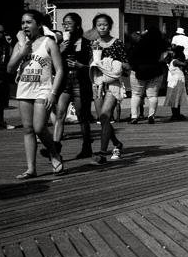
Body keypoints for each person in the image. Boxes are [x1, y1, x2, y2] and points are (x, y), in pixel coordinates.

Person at [7, 10, 65, 178]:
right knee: (28, 129)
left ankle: (54, 154)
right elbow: (10, 69)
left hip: (44, 89)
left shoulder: (49, 43)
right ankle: (31, 168)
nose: (25, 26)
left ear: (39, 24)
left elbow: (59, 69)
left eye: (29, 22)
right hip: (25, 89)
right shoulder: (20, 45)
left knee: (39, 128)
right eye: (22, 23)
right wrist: (22, 50)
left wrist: (53, 92)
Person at [49, 13, 93, 159]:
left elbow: (93, 67)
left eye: (69, 23)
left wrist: (81, 66)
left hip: (80, 83)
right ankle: (56, 149)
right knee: (60, 114)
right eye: (64, 24)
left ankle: (87, 146)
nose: (66, 26)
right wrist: (60, 50)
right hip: (65, 83)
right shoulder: (60, 43)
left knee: (82, 116)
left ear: (78, 25)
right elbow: (52, 64)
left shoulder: (87, 44)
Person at [88, 14, 129, 165]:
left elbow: (126, 65)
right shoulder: (93, 44)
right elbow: (91, 64)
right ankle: (117, 144)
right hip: (98, 84)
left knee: (105, 115)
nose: (102, 27)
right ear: (95, 27)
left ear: (110, 26)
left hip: (112, 84)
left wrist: (112, 64)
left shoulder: (117, 43)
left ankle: (102, 153)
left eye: (105, 24)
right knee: (103, 119)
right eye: (99, 25)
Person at [128, 26, 168, 124]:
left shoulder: (141, 43)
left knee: (136, 94)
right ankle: (151, 116)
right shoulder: (161, 44)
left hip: (139, 69)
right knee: (153, 95)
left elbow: (132, 57)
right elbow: (164, 55)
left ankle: (134, 116)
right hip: (156, 70)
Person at [0, 23, 16, 130]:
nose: (3, 34)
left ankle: (1, 121)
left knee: (2, 101)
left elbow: (11, 57)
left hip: (3, 76)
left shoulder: (5, 44)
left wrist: (10, 44)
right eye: (1, 32)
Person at [165, 45, 188, 120]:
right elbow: (184, 64)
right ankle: (175, 114)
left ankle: (176, 114)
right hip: (175, 82)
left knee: (177, 99)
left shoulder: (174, 61)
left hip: (177, 81)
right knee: (175, 98)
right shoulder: (175, 61)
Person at [171, 27, 188, 96]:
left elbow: (173, 46)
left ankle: (180, 91)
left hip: (180, 58)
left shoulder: (175, 37)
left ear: (177, 33)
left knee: (179, 74)